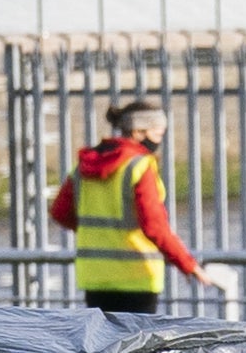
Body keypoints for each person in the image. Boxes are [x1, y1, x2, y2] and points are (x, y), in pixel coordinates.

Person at [63, 96, 196, 316]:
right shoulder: (139, 165)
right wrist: (188, 265)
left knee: (102, 347)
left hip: (95, 278)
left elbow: (61, 212)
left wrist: (98, 235)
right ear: (138, 131)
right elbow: (154, 226)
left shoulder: (84, 165)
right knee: (135, 347)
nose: (160, 140)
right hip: (137, 278)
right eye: (158, 133)